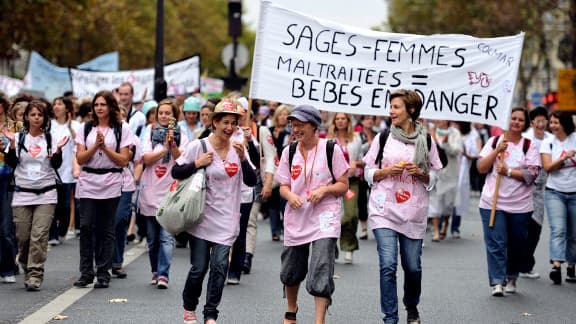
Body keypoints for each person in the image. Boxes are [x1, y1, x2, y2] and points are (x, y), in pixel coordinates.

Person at [173, 99, 256, 324]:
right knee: (199, 268)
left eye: (233, 123)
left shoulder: (239, 148)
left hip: (227, 218)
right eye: (225, 122)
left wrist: (243, 159)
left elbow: (251, 181)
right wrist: (197, 163)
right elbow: (176, 171)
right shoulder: (198, 146)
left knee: (219, 267)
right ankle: (189, 308)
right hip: (201, 218)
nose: (229, 128)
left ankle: (210, 314)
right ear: (214, 122)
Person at [363, 89, 441, 324]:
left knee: (413, 268)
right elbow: (367, 171)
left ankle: (411, 305)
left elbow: (436, 174)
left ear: (411, 110)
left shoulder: (427, 140)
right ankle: (390, 318)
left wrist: (423, 174)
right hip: (383, 209)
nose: (391, 111)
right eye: (391, 107)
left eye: (396, 107)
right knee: (388, 265)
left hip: (412, 212)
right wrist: (385, 171)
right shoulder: (383, 137)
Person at [275, 105, 349, 324]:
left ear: (314, 126)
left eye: (300, 125)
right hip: (297, 216)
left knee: (322, 267)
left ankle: (319, 320)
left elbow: (343, 185)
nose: (295, 129)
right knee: (291, 269)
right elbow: (283, 185)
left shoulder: (330, 149)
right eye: (293, 125)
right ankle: (291, 309)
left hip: (324, 217)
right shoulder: (289, 151)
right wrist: (289, 196)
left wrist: (325, 190)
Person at [3, 100, 68, 290]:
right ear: (27, 117)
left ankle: (35, 275)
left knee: (39, 236)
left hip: (46, 194)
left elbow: (56, 164)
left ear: (44, 118)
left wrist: (57, 152)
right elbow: (11, 162)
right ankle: (25, 264)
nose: (36, 118)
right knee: (23, 238)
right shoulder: (18, 138)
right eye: (33, 114)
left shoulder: (51, 138)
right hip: (22, 194)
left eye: (40, 115)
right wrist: (13, 144)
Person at [476, 107, 541, 296]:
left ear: (526, 124)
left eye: (520, 120)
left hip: (520, 206)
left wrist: (510, 172)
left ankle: (512, 276)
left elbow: (532, 174)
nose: (516, 122)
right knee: (496, 242)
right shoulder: (495, 141)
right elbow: (481, 167)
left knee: (517, 244)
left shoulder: (529, 146)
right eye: (513, 118)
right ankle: (497, 281)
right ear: (507, 120)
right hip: (492, 203)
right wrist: (497, 150)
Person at [73, 90, 131, 289]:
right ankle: (86, 272)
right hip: (88, 181)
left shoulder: (121, 129)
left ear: (110, 107)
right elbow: (80, 158)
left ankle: (103, 273)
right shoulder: (85, 128)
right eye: (96, 105)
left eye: (103, 104)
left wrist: (105, 147)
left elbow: (124, 160)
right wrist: (94, 147)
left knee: (106, 229)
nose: (99, 108)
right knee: (87, 226)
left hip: (111, 181)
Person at [139, 99, 187, 289]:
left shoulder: (181, 135)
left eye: (168, 113)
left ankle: (164, 274)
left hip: (170, 192)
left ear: (174, 116)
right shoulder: (149, 132)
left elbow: (182, 160)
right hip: (150, 191)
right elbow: (146, 158)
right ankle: (155, 270)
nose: (164, 116)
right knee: (152, 239)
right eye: (161, 113)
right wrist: (164, 148)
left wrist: (172, 145)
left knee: (166, 237)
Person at [540, 110, 576, 285]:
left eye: (556, 122)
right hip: (554, 192)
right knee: (558, 230)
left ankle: (571, 266)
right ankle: (556, 266)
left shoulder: (575, 138)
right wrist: (564, 158)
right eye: (551, 122)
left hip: (575, 192)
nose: (552, 125)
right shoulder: (548, 143)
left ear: (565, 123)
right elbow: (547, 167)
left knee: (574, 234)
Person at [520, 107, 552, 279]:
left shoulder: (550, 139)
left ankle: (526, 264)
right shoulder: (526, 139)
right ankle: (522, 264)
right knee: (523, 227)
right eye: (537, 121)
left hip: (543, 188)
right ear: (531, 123)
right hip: (524, 187)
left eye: (543, 121)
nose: (541, 124)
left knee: (536, 227)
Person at [327, 112, 362, 263]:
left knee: (351, 214)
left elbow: (363, 159)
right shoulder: (327, 139)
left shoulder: (356, 138)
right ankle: (331, 245)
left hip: (351, 182)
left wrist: (356, 163)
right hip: (332, 182)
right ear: (334, 121)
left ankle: (348, 247)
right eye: (338, 119)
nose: (340, 121)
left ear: (348, 121)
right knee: (330, 216)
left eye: (343, 119)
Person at [48, 97, 80, 246]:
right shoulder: (49, 124)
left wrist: (70, 127)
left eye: (59, 104)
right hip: (51, 170)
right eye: (55, 104)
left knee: (65, 205)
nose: (56, 106)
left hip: (67, 171)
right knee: (51, 203)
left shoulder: (76, 125)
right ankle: (52, 234)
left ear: (67, 108)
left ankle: (61, 230)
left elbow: (79, 142)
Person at [428, 120, 462, 242]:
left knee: (448, 204)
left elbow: (457, 151)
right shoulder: (430, 131)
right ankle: (436, 230)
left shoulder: (455, 133)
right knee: (434, 202)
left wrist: (446, 143)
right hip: (435, 173)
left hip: (450, 174)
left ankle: (445, 225)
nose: (440, 120)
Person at [267, 104, 292, 241]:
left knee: (283, 200)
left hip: (284, 169)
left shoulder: (290, 133)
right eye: (281, 114)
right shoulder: (268, 130)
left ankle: (285, 225)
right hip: (271, 169)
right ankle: (275, 231)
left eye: (285, 114)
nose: (283, 117)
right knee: (272, 201)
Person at [452, 121, 481, 238]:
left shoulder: (473, 135)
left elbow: (477, 153)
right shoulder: (452, 131)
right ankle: (440, 226)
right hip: (449, 170)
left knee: (457, 201)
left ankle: (455, 227)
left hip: (463, 173)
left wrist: (465, 154)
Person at [0, 96, 18, 283]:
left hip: (8, 180)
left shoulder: (16, 127)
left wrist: (8, 146)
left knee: (6, 228)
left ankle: (8, 268)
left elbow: (23, 151)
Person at [357, 115, 378, 239]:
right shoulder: (357, 135)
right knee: (361, 200)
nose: (369, 121)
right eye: (367, 119)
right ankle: (364, 228)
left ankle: (377, 226)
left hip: (374, 171)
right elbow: (356, 150)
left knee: (376, 200)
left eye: (372, 119)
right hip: (360, 172)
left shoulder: (378, 135)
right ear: (362, 121)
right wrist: (368, 145)